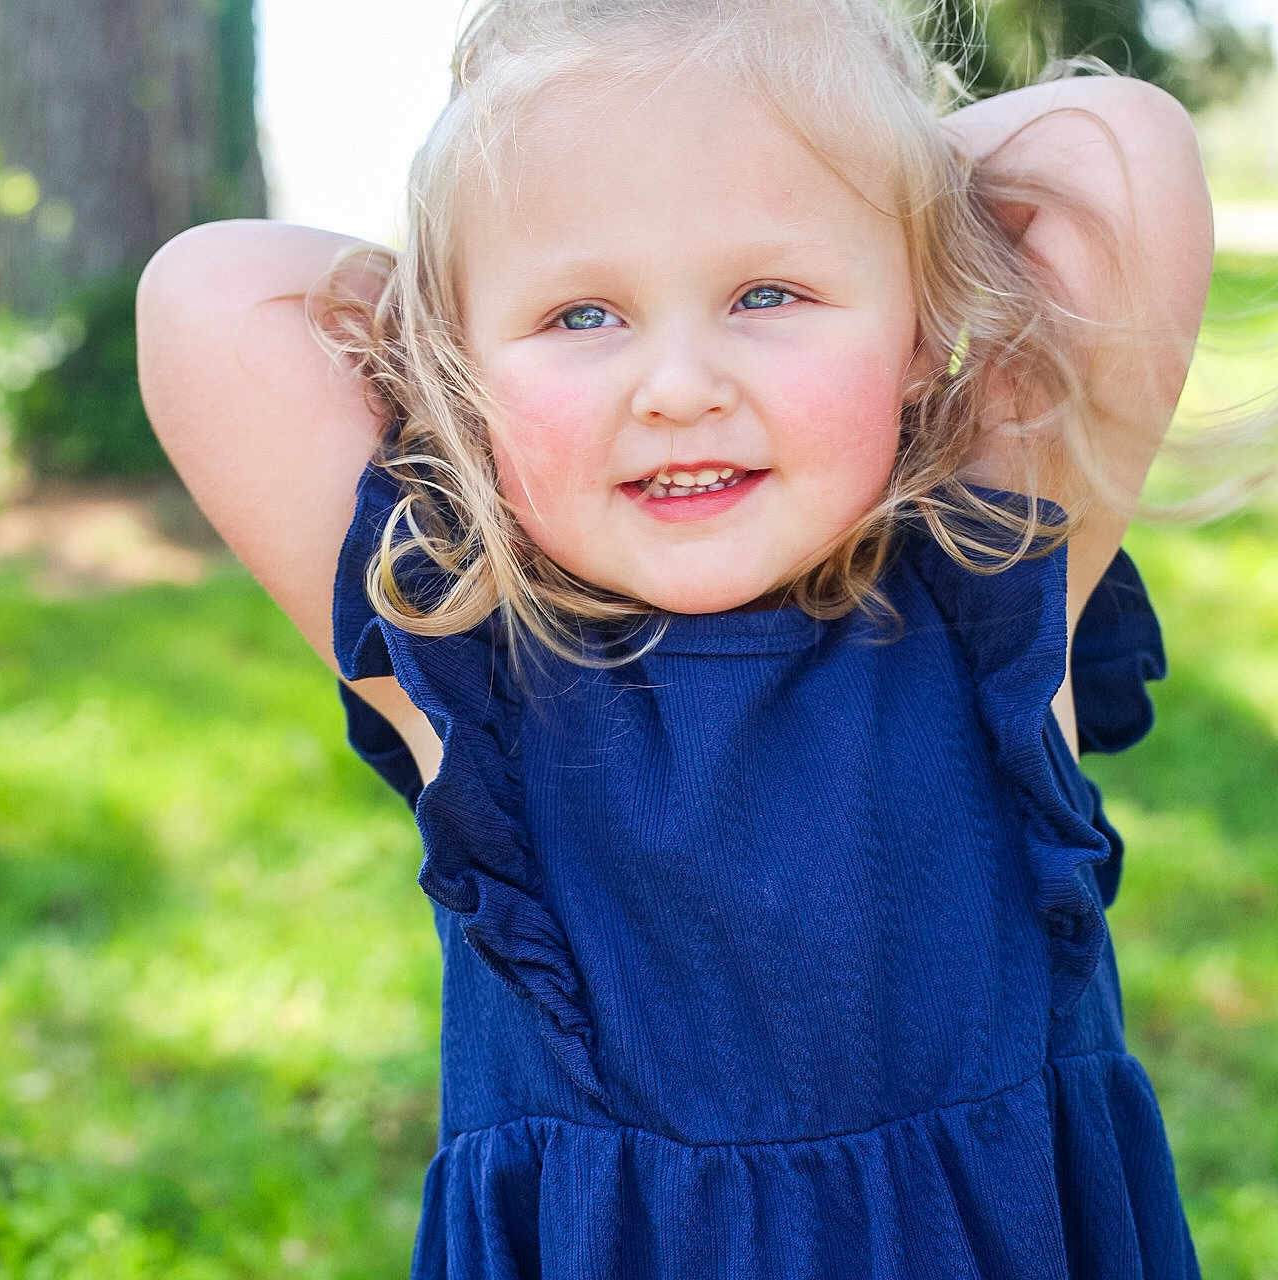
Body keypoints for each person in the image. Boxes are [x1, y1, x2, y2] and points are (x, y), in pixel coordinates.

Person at [135, 0, 1273, 1274]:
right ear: (460, 370)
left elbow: (1112, 152)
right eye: (581, 317)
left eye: (766, 292)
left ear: (915, 325)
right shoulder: (462, 664)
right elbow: (206, 294)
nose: (676, 385)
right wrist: (477, 270)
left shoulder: (994, 584)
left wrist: (873, 175)